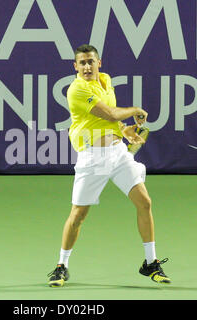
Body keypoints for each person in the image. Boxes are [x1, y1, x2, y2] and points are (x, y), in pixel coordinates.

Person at [47, 44, 171, 287]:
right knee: (78, 215)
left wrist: (124, 132)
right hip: (92, 158)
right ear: (75, 66)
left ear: (99, 63)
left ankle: (150, 263)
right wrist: (134, 110)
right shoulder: (77, 89)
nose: (86, 66)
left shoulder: (105, 81)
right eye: (81, 63)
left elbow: (111, 123)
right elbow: (111, 114)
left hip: (118, 154)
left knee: (144, 202)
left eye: (90, 61)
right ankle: (61, 266)